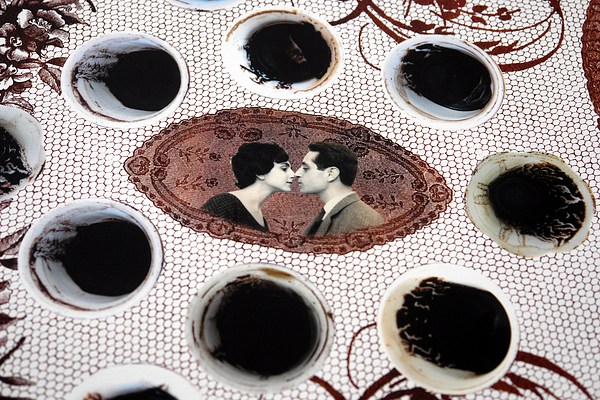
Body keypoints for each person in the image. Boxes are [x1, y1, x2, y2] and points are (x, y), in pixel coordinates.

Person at [295, 141, 384, 236]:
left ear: (331, 174)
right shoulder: (330, 212)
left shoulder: (363, 220)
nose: (297, 174)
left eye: (306, 168)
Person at [202, 142, 295, 231]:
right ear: (260, 172)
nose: (292, 174)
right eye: (284, 168)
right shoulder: (224, 203)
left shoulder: (260, 218)